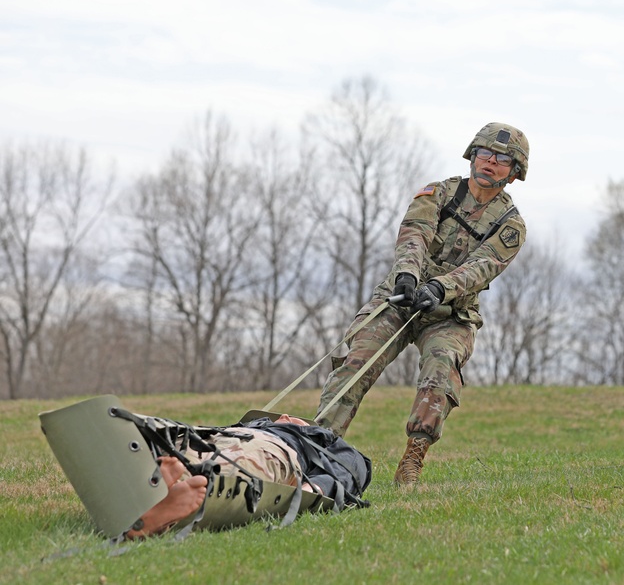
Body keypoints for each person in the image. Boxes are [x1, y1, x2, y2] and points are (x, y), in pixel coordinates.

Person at [315, 122, 529, 486]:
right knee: (357, 358)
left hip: (450, 311)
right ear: (472, 155)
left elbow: (481, 269)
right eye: (485, 153)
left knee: (442, 367)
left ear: (514, 172)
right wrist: (408, 278)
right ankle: (318, 446)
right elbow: (414, 234)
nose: (490, 162)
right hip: (403, 294)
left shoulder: (511, 226)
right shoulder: (439, 193)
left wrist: (439, 289)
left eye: (502, 159)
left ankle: (413, 459)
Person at [125, 414, 371, 539]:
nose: (286, 415)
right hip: (226, 439)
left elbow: (349, 471)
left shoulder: (321, 440)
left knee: (213, 466)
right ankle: (165, 490)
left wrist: (309, 491)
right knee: (223, 468)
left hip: (241, 442)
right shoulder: (263, 427)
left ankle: (157, 490)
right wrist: (310, 491)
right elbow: (347, 473)